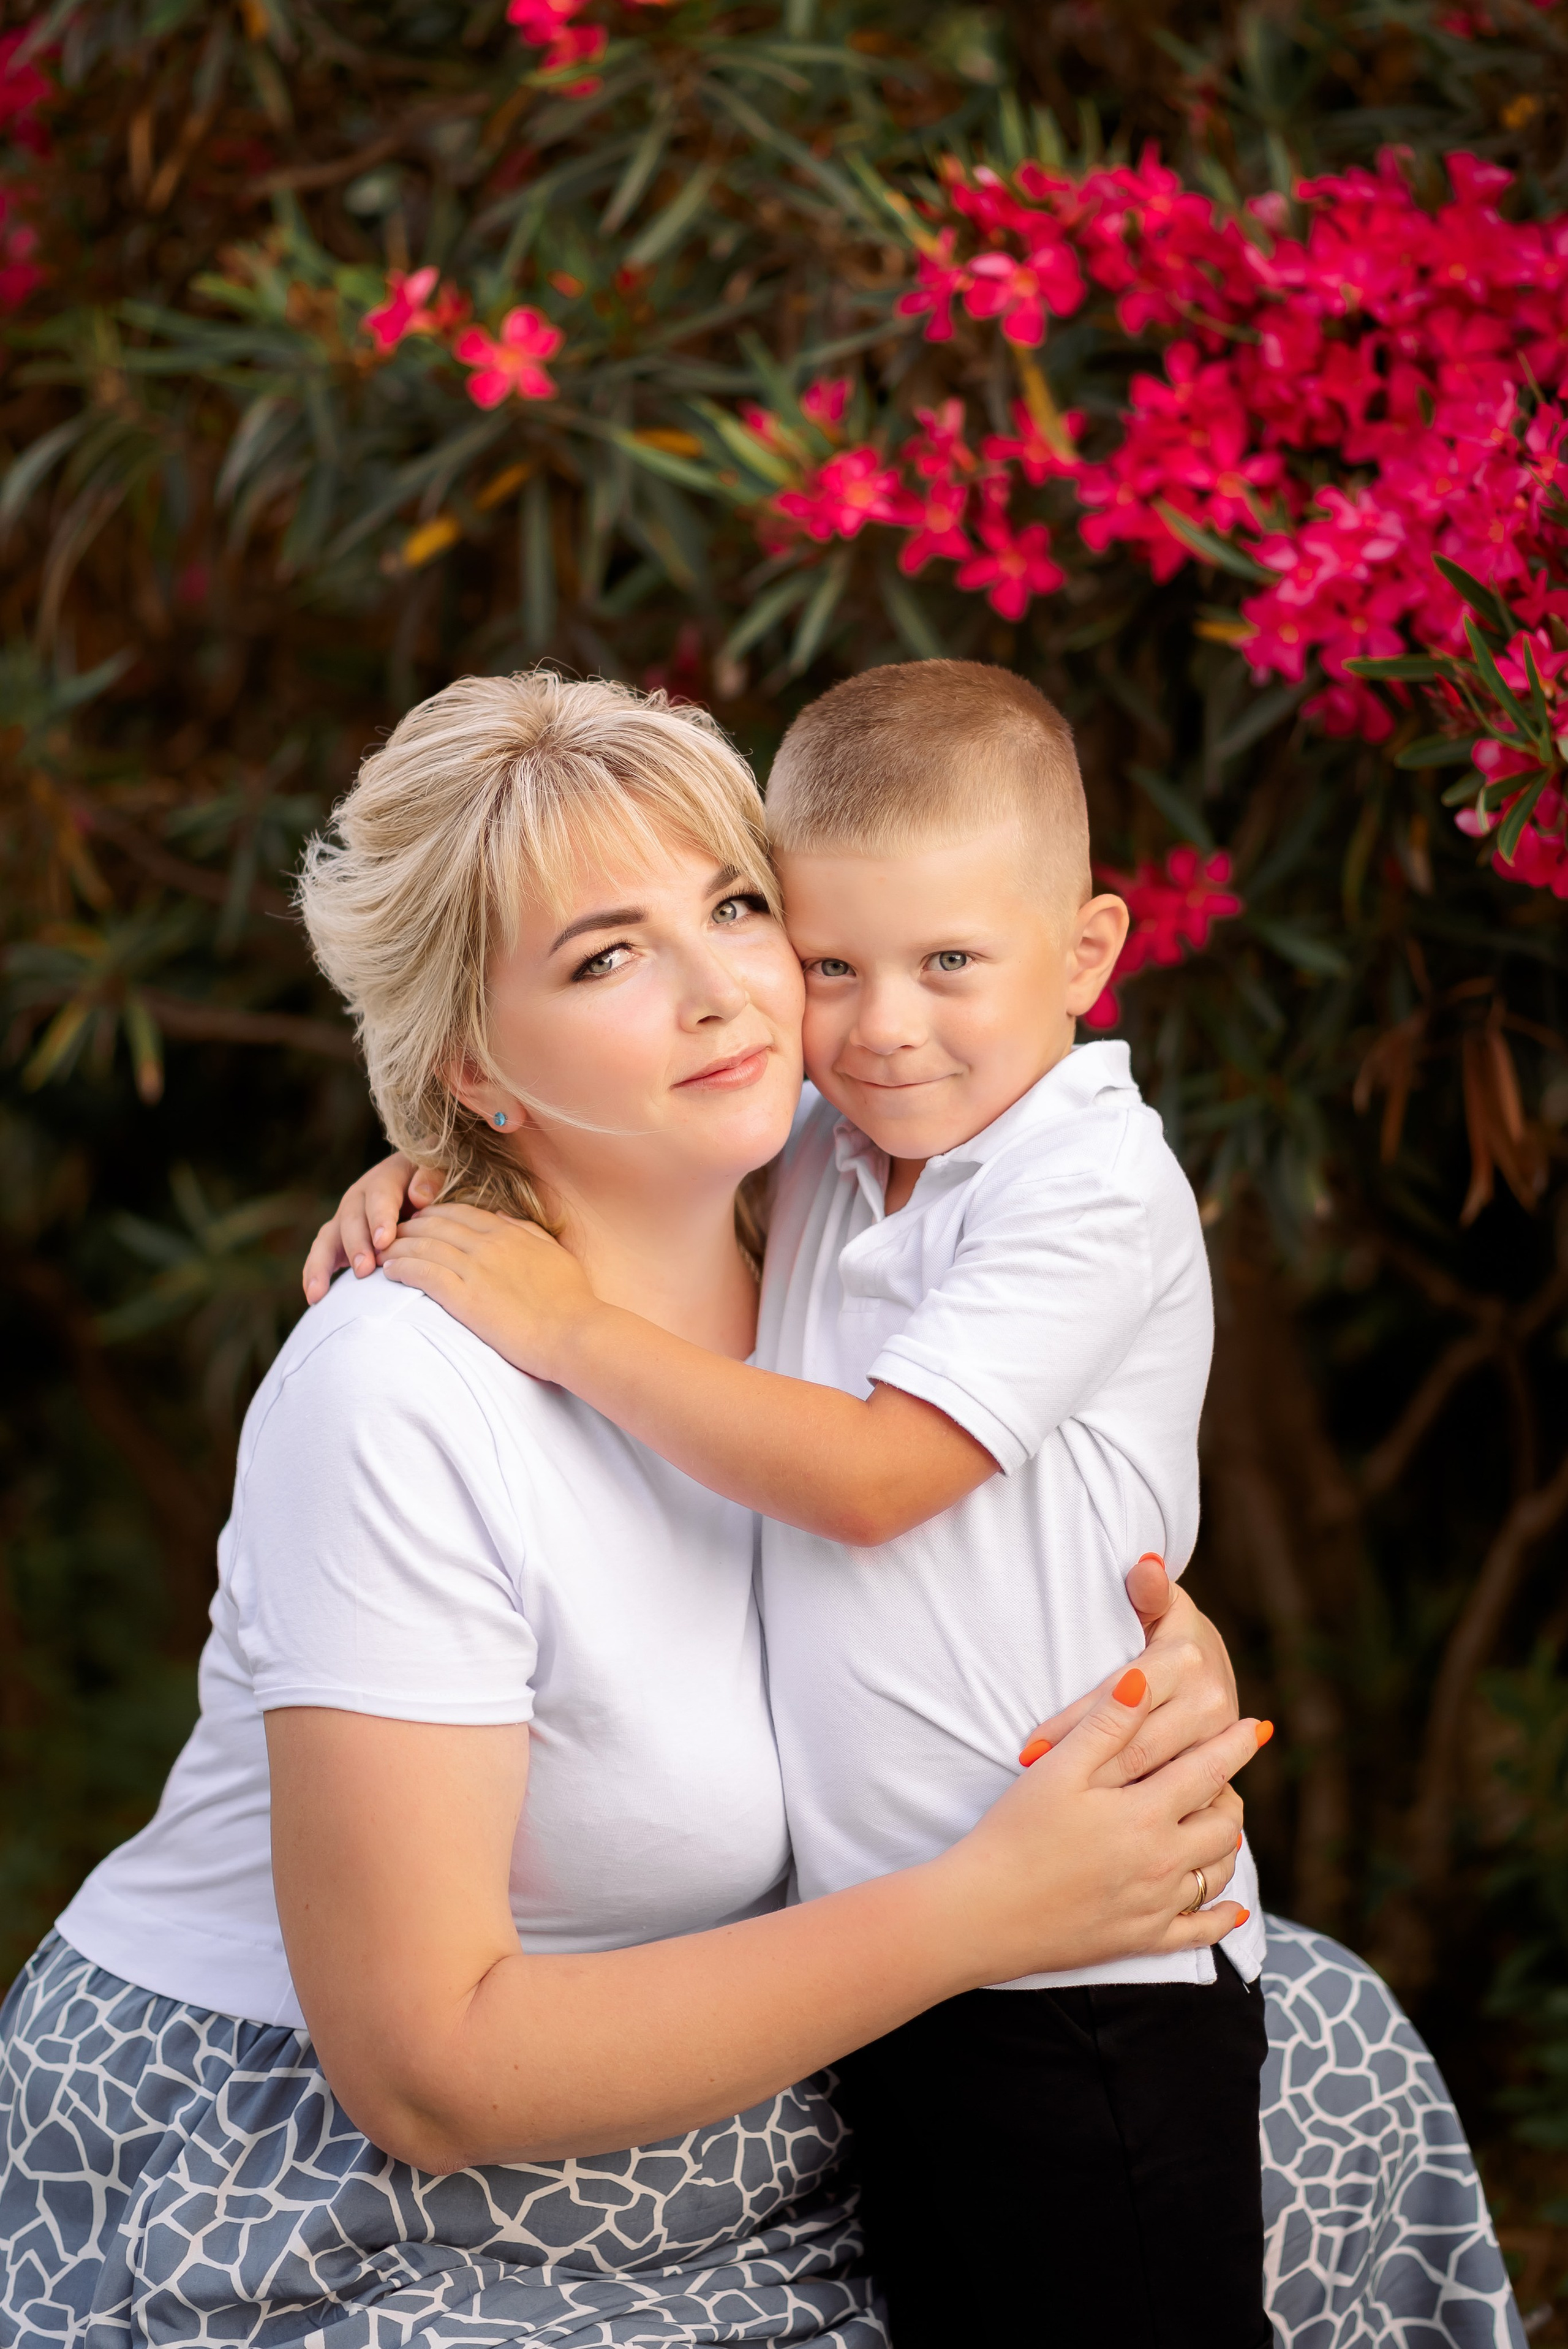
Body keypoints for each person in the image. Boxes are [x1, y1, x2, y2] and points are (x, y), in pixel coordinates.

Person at [0, 672, 1257, 2349]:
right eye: (605, 956)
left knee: (1311, 2056)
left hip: (784, 2083)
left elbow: (993, 1494)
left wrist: (1156, 1642)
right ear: (472, 1063)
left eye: (741, 907)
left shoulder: (844, 1190)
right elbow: (422, 2075)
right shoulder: (404, 1394)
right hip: (318, 2175)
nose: (727, 992)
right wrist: (982, 1911)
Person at [311, 668, 1528, 2349]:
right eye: (828, 964)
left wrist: (564, 1327)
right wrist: (435, 1163)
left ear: (1089, 956)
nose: (876, 1024)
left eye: (950, 962)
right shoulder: (842, 1143)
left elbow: (884, 1478)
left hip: (1083, 1978)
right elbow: (611, 1127)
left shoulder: (1085, 1180)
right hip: (913, 1969)